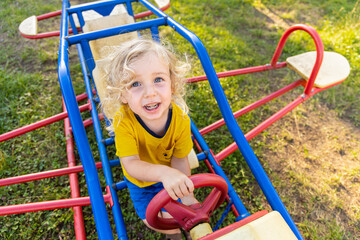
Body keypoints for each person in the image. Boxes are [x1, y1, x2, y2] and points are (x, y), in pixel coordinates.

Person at [102, 39, 197, 240]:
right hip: (142, 183)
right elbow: (131, 165)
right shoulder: (124, 122)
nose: (150, 92)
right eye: (135, 84)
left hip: (170, 173)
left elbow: (180, 158)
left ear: (172, 84)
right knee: (159, 221)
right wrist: (163, 173)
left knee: (190, 210)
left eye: (158, 80)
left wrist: (183, 190)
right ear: (123, 95)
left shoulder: (180, 119)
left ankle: (191, 229)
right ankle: (174, 236)